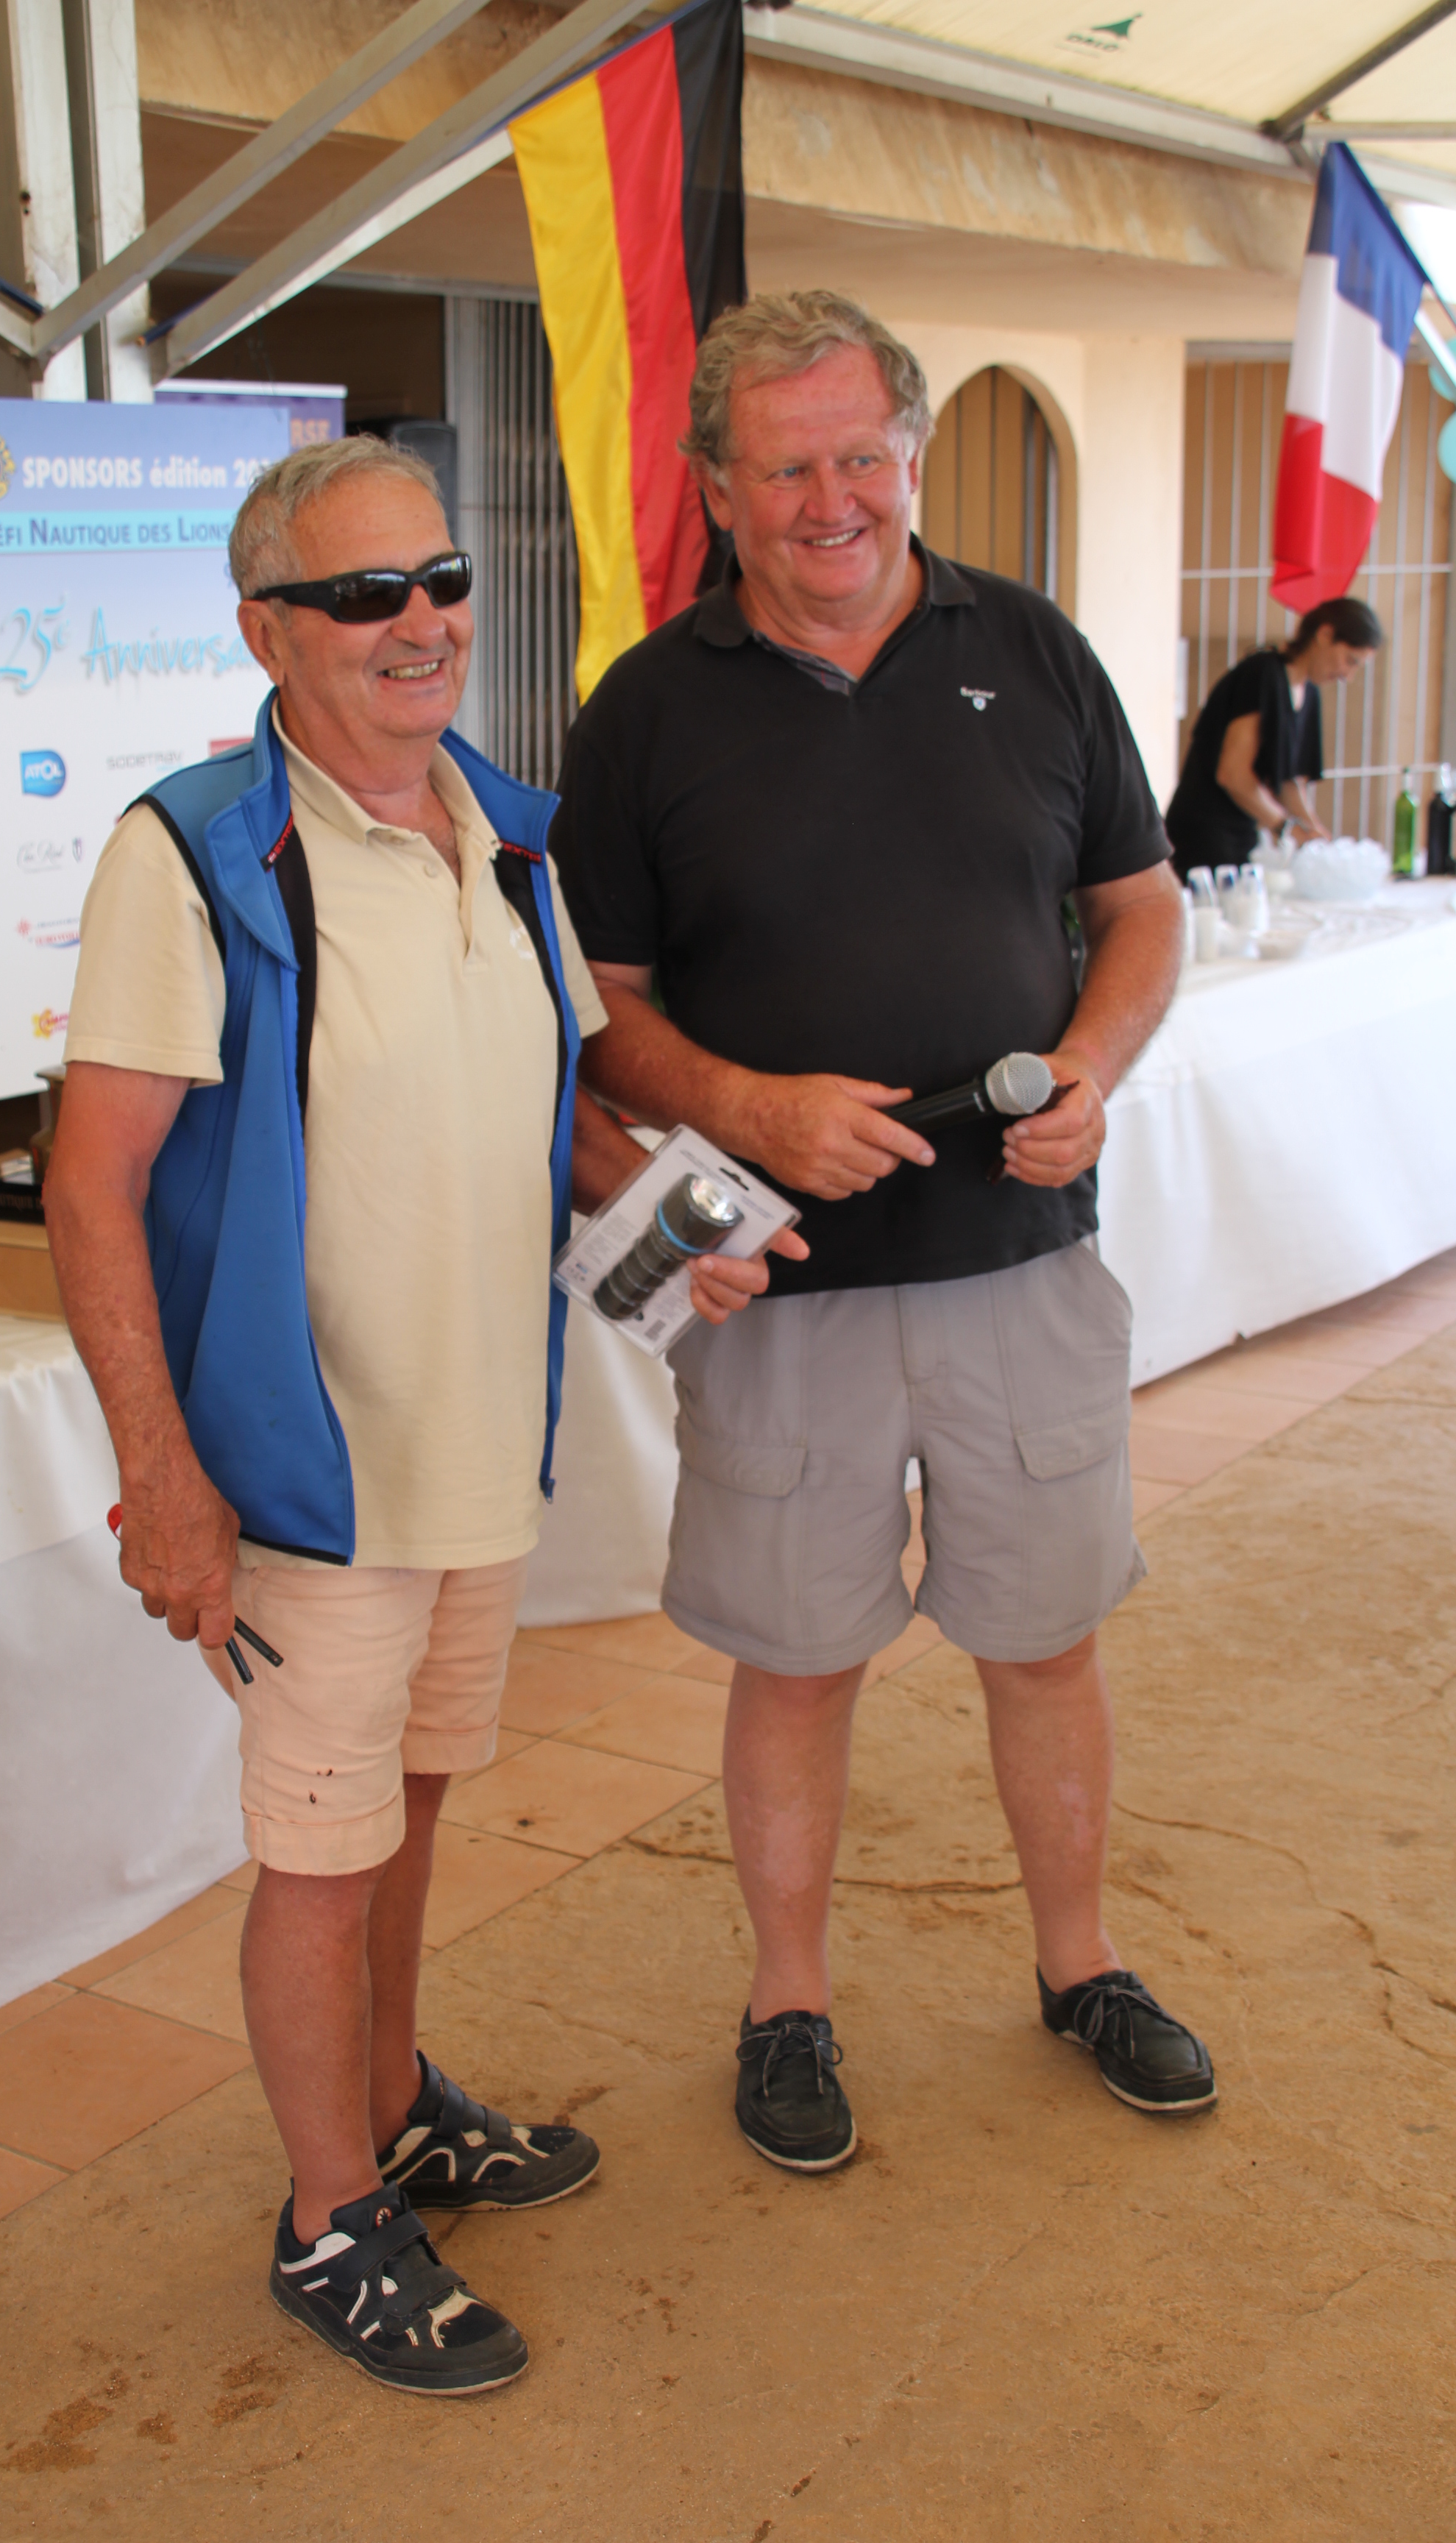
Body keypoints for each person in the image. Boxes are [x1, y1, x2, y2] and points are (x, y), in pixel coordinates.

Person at [46, 436, 779, 2397]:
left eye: (439, 580)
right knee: (317, 1849)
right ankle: (327, 2218)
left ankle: (389, 2109)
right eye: (364, 593)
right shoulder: (193, 854)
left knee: (409, 1808)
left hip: (474, 1448)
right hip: (308, 1473)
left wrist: (680, 1228)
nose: (421, 622)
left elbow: (549, 1115)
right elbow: (92, 1184)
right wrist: (160, 1481)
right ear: (266, 631)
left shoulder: (512, 837)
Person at [551, 288, 1216, 2179]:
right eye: (786, 468)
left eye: (860, 454)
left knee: (1047, 1637)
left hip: (1023, 1256)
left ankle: (1081, 1965)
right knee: (795, 1657)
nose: (831, 499)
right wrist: (747, 1108)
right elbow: (600, 1011)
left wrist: (1091, 1064)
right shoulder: (645, 709)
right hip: (781, 1282)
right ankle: (787, 2002)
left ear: (911, 452)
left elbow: (1142, 903)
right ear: (717, 488)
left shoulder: (1036, 649)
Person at [1164, 597, 1382, 879]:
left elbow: (1290, 783)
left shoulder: (1309, 692)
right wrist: (1286, 827)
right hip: (1203, 834)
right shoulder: (1262, 673)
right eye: (1350, 660)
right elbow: (1233, 775)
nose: (1347, 676)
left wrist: (1315, 835)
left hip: (1244, 834)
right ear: (1325, 634)